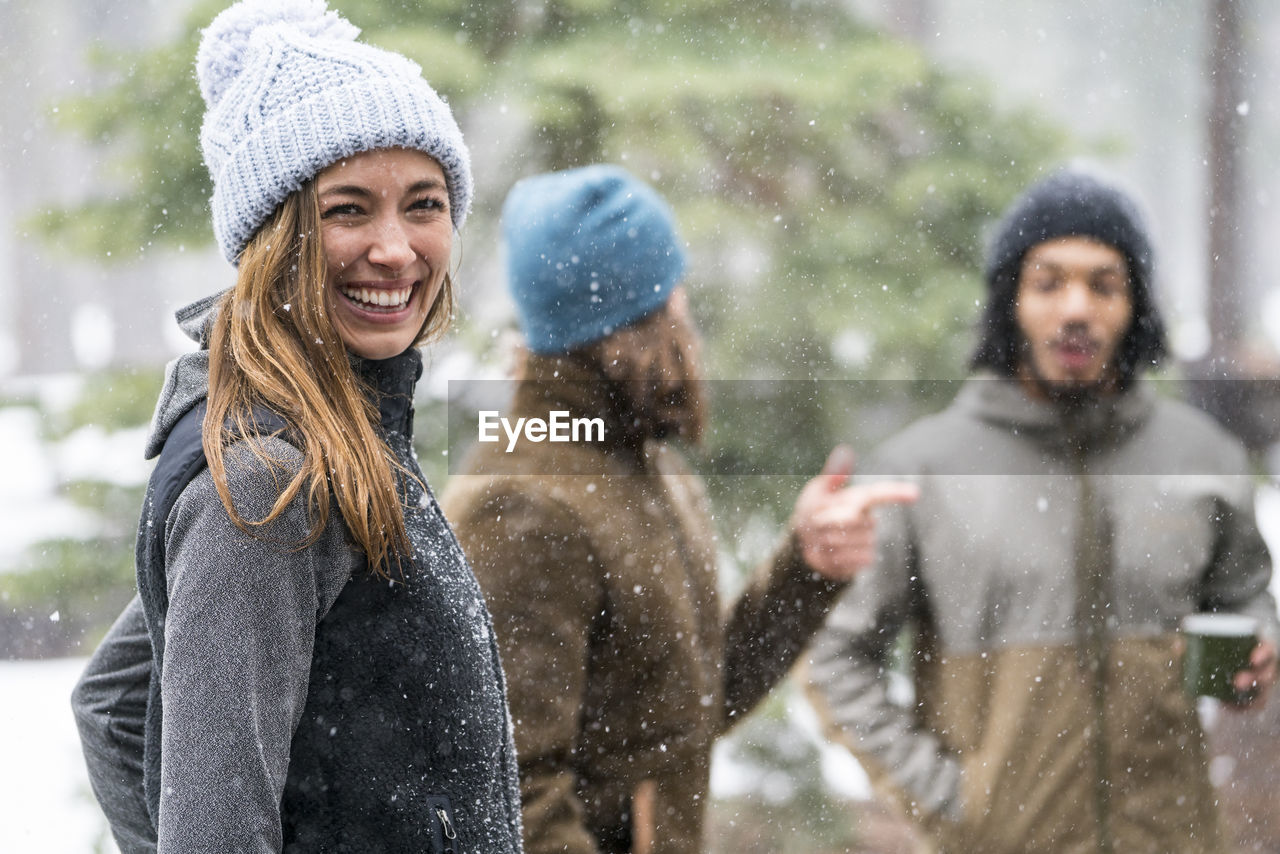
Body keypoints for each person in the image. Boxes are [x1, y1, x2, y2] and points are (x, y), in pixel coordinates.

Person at [69, 1, 523, 851]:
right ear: (276, 238)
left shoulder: (345, 430)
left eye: (423, 203)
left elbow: (114, 703)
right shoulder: (266, 482)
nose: (395, 249)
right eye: (349, 209)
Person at [441, 164, 919, 854]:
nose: (687, 313)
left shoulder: (637, 466)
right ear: (627, 327)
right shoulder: (526, 505)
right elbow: (512, 799)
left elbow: (682, 715)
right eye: (670, 295)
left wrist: (803, 568)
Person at [805, 169, 1280, 854]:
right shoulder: (923, 472)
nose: (1077, 308)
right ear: (1010, 302)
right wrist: (949, 801)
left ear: (1137, 305)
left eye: (1104, 283)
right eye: (1048, 282)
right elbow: (835, 653)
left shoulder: (1202, 455)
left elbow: (1245, 597)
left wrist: (1255, 650)